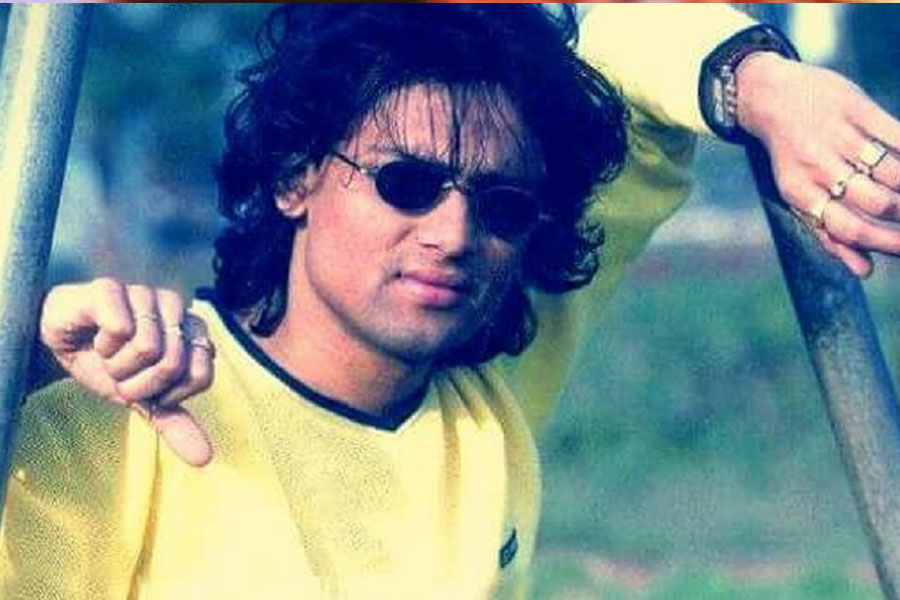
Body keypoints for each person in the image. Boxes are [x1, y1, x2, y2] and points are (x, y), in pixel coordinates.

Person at [3, 4, 900, 599]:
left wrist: (766, 82)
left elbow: (626, 51)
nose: (454, 233)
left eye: (502, 205)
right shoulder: (124, 398)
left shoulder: (487, 396)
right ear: (295, 177)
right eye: (406, 183)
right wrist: (24, 350)